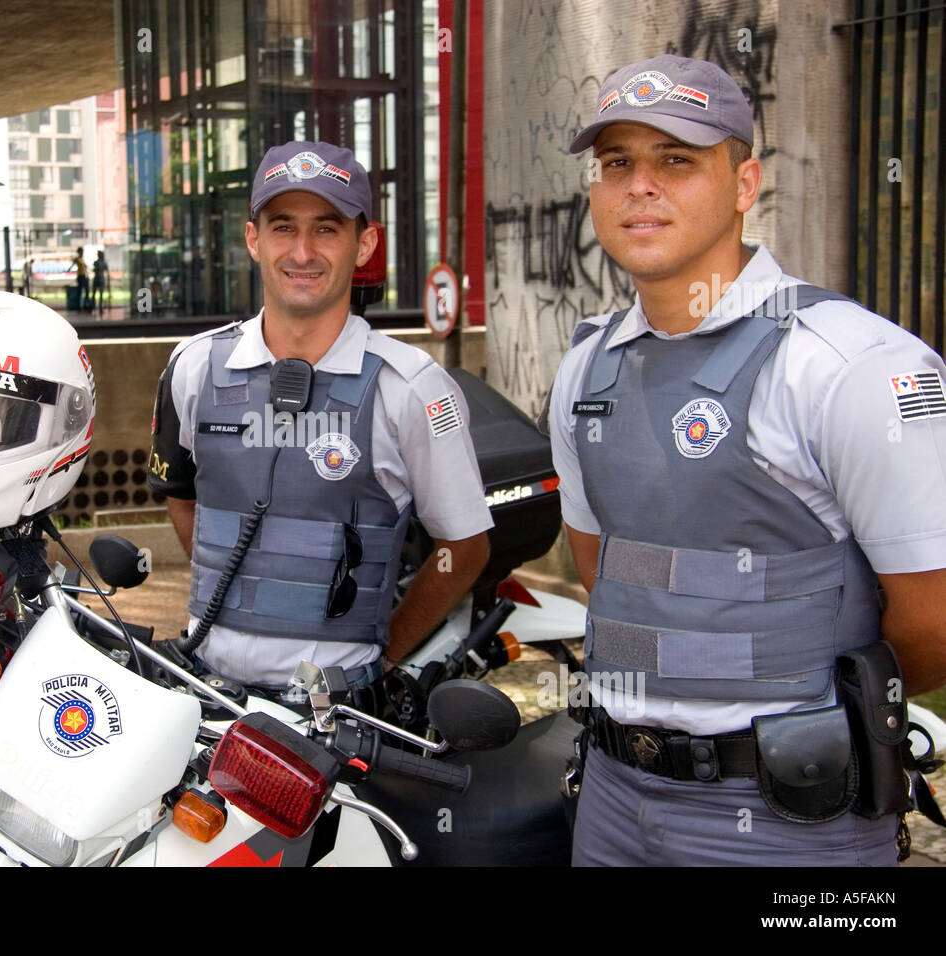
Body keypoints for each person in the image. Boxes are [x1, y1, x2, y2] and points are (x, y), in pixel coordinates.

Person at [548, 54, 946, 865]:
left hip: (789, 815)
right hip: (615, 798)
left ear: (744, 183)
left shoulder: (848, 365)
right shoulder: (587, 367)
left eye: (677, 160)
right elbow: (608, 573)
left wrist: (823, 717)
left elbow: (932, 619)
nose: (640, 186)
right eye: (616, 162)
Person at [148, 140, 493, 693]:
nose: (303, 252)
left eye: (327, 228)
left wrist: (381, 661)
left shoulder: (409, 387)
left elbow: (465, 547)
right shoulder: (191, 367)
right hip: (204, 696)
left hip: (335, 717)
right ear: (253, 240)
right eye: (283, 227)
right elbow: (182, 494)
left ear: (365, 245)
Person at [93, 250, 110, 315]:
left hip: (101, 279)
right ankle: (94, 307)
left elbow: (107, 272)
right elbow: (94, 269)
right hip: (97, 279)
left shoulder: (104, 263)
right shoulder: (96, 262)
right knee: (94, 294)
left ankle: (100, 307)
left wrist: (108, 282)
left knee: (101, 294)